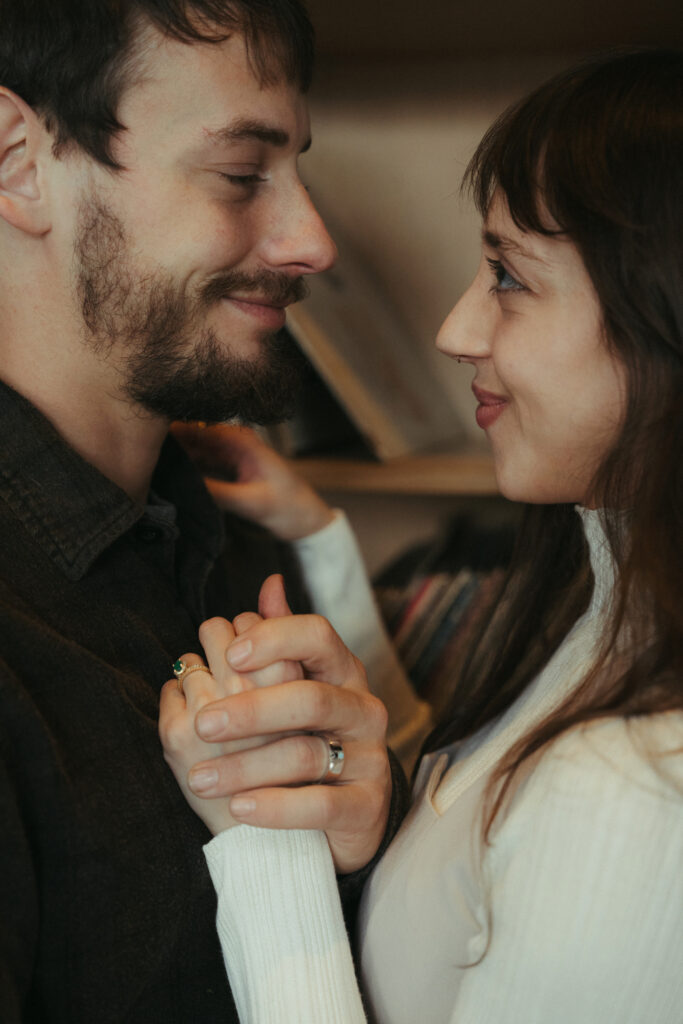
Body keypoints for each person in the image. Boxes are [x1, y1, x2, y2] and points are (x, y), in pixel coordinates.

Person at [160, 49, 683, 1022]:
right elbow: (468, 816)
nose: (454, 330)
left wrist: (268, 854)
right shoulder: (601, 604)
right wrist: (316, 535)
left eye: (507, 277)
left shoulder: (637, 795)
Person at [0, 2, 428, 1020]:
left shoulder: (244, 551)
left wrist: (368, 846)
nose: (311, 240)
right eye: (242, 173)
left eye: (298, 172)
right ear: (17, 159)